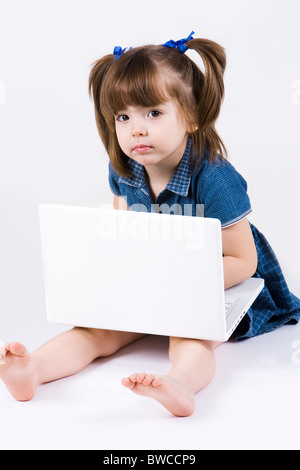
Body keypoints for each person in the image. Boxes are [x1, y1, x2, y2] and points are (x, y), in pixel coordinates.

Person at [1, 32, 300, 417]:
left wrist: (180, 282)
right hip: (154, 278)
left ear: (191, 117)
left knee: (189, 334)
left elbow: (244, 261)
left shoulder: (214, 177)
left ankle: (182, 384)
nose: (135, 129)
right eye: (123, 117)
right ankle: (34, 370)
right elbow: (124, 233)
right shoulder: (124, 169)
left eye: (152, 113)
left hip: (218, 280)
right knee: (95, 329)